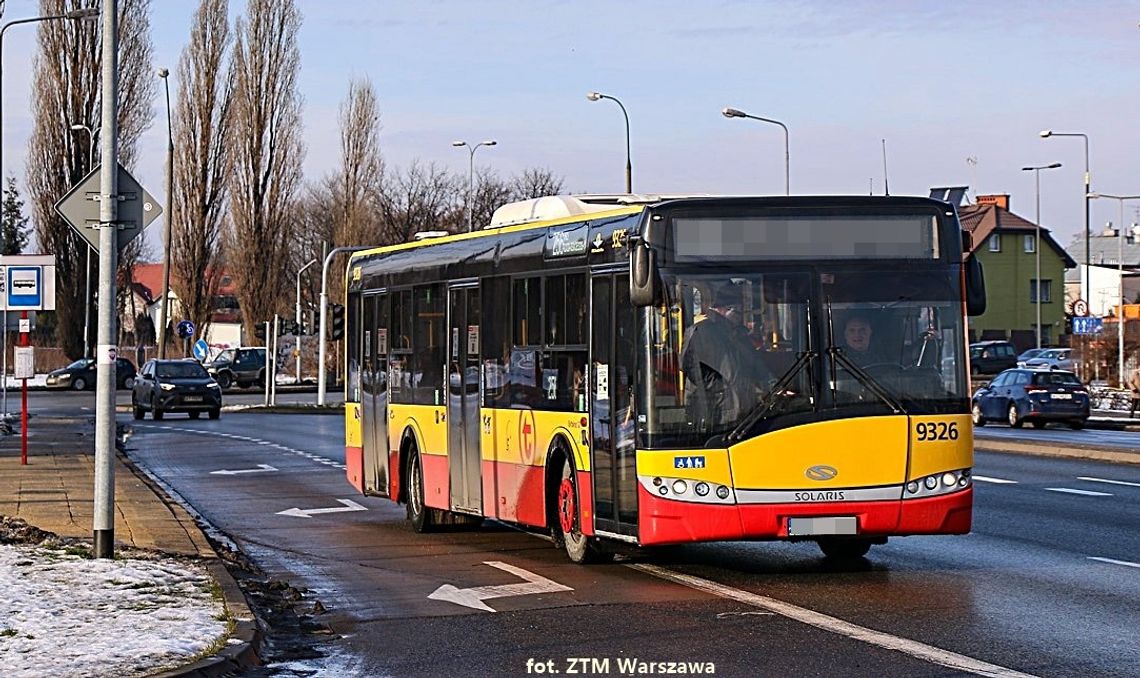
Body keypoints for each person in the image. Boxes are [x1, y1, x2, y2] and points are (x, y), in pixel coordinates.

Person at [681, 285, 772, 427]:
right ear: (726, 309)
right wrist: (721, 389)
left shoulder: (739, 334)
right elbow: (691, 367)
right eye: (738, 310)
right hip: (716, 413)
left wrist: (774, 384)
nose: (741, 315)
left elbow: (755, 365)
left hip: (742, 410)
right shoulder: (701, 331)